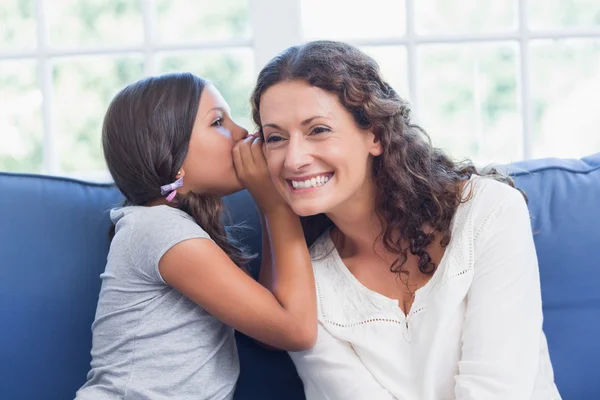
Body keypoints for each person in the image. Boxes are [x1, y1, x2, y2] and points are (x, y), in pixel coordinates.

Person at [252, 41, 561, 399]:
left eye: (318, 130)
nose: (293, 159)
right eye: (275, 138)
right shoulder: (307, 287)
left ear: (377, 135)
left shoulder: (488, 211)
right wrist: (270, 206)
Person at [75, 72, 317, 400]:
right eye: (218, 122)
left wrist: (266, 203)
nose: (243, 133)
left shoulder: (177, 227)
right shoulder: (161, 229)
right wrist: (276, 206)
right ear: (171, 156)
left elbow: (272, 332)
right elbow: (297, 331)